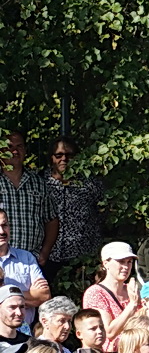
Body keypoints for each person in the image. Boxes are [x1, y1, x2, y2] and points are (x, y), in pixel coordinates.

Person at [43, 139, 104, 285]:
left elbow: (104, 212)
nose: (64, 159)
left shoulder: (90, 183)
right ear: (51, 158)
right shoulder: (41, 182)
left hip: (83, 258)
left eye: (69, 155)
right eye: (59, 155)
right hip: (49, 256)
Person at [0, 131, 58, 262]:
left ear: (25, 151)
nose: (15, 151)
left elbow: (51, 220)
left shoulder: (39, 183)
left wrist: (45, 252)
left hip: (31, 260)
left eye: (19, 146)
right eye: (10, 147)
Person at [83, 241, 142, 352]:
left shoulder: (132, 290)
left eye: (129, 262)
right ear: (106, 263)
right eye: (121, 261)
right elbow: (109, 332)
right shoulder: (95, 293)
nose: (126, 267)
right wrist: (132, 305)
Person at [0, 208, 51, 329]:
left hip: (24, 332)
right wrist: (29, 295)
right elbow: (36, 298)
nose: (2, 231)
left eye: (4, 225)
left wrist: (4, 295)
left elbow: (44, 297)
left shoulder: (26, 258)